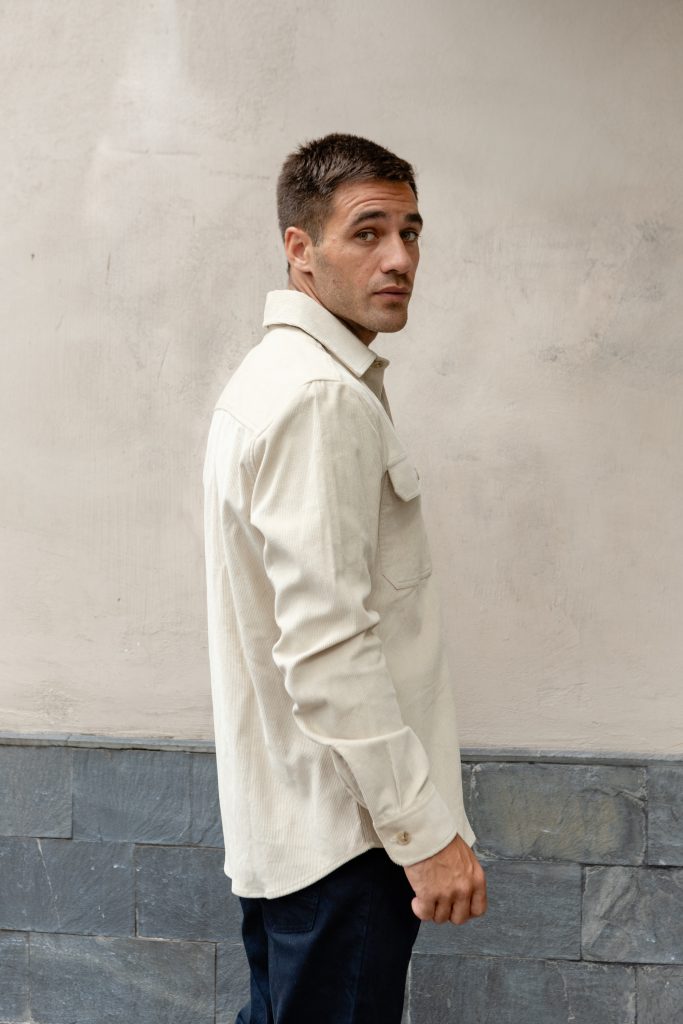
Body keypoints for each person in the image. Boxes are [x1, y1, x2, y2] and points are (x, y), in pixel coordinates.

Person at [203, 132, 487, 1024]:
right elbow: (328, 650)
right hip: (346, 843)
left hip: (302, 835)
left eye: (410, 232)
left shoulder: (280, 380)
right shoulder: (318, 397)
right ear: (300, 249)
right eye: (367, 233)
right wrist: (422, 834)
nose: (398, 257)